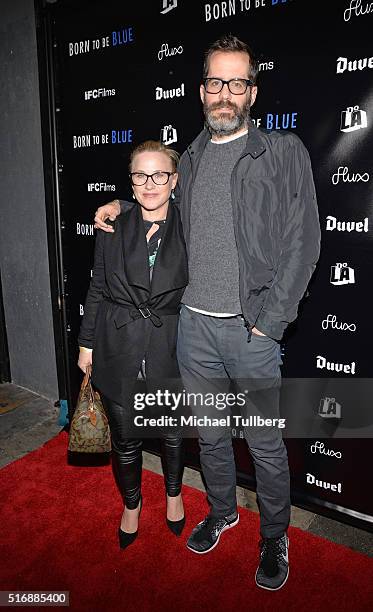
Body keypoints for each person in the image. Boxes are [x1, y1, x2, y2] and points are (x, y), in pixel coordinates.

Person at [93, 34, 321, 589]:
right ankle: (222, 512)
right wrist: (125, 205)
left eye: (236, 82)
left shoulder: (282, 151)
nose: (225, 93)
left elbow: (305, 242)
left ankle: (274, 537)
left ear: (252, 92)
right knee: (212, 438)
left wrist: (271, 321)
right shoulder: (189, 159)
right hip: (193, 328)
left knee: (264, 442)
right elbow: (158, 195)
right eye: (216, 82)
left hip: (252, 331)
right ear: (201, 91)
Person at [78, 140, 188, 549]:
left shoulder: (189, 223)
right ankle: (132, 504)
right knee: (126, 439)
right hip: (118, 340)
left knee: (172, 434)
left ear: (174, 180)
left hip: (171, 344)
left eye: (159, 174)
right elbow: (97, 288)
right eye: (140, 175)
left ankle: (174, 496)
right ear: (131, 181)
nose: (149, 183)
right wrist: (86, 344)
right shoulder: (112, 226)